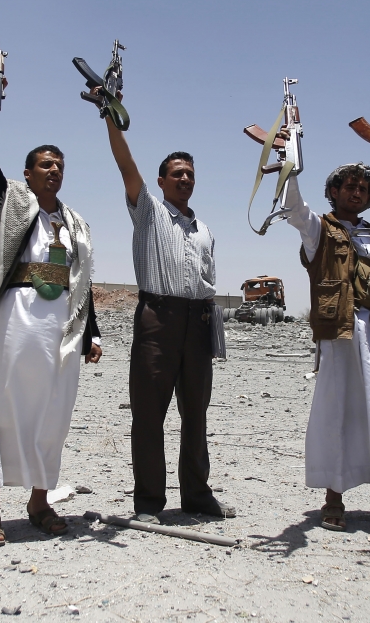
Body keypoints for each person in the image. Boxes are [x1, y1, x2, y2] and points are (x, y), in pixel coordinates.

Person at [0, 109, 102, 546]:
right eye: (45, 164)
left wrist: (91, 332)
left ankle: (40, 502)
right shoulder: (12, 205)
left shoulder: (75, 223)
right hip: (18, 318)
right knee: (6, 409)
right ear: (28, 173)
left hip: (62, 326)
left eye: (59, 165)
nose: (54, 171)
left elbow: (82, 280)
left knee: (53, 414)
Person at [93, 87, 233, 524]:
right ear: (161, 181)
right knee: (149, 415)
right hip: (158, 320)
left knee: (196, 415)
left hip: (197, 321)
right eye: (176, 173)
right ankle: (149, 503)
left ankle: (197, 495)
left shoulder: (204, 228)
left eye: (189, 174)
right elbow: (125, 164)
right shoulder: (149, 211)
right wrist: (110, 117)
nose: (185, 179)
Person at [279, 161, 370, 532]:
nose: (356, 192)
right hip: (341, 331)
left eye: (363, 188)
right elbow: (294, 209)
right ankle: (334, 497)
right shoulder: (320, 231)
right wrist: (290, 167)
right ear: (334, 192)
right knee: (336, 410)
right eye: (349, 186)